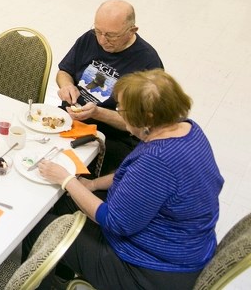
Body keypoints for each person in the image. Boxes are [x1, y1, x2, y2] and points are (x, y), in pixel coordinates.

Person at [29, 69, 222, 290]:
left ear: (146, 117)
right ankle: (62, 271)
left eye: (122, 109)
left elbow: (113, 221)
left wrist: (66, 180)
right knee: (62, 202)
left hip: (148, 270)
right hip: (187, 246)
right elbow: (131, 177)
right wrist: (91, 185)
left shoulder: (157, 160)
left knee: (39, 228)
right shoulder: (187, 129)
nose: (119, 112)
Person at [56, 0, 163, 173]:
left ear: (132, 31)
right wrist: (67, 85)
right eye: (98, 31)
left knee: (65, 173)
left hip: (111, 138)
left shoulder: (147, 63)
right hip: (69, 121)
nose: (102, 40)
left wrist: (98, 113)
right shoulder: (90, 38)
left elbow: (142, 124)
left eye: (111, 35)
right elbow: (64, 71)